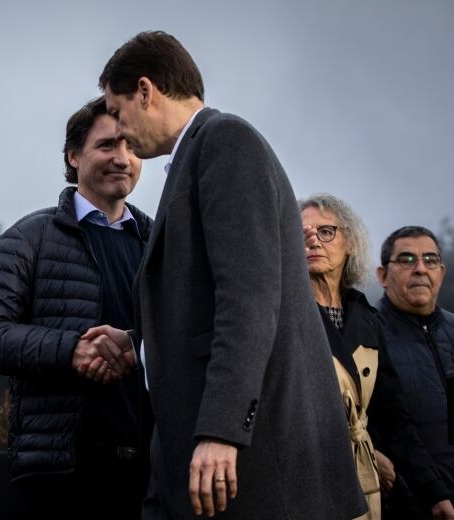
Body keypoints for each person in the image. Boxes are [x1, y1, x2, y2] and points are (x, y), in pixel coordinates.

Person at [91, 31, 366, 519]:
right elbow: (205, 309)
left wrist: (221, 429)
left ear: (146, 90)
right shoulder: (193, 157)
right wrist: (140, 345)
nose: (118, 126)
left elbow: (249, 299)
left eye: (116, 109)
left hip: (248, 461)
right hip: (191, 458)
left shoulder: (225, 141)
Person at [0, 96, 152, 519]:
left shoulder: (161, 245)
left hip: (154, 467)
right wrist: (70, 350)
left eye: (131, 147)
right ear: (74, 154)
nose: (121, 158)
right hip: (64, 472)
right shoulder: (30, 238)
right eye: (106, 146)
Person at [300, 194, 454, 520]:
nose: (313, 240)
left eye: (326, 231)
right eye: (302, 234)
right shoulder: (285, 315)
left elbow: (393, 417)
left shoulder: (365, 319)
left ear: (350, 243)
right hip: (311, 481)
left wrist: (434, 492)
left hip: (370, 490)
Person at [374, 226, 454, 520]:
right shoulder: (366, 334)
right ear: (382, 276)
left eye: (430, 260)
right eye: (406, 260)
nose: (420, 269)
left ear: (441, 273)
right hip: (406, 504)